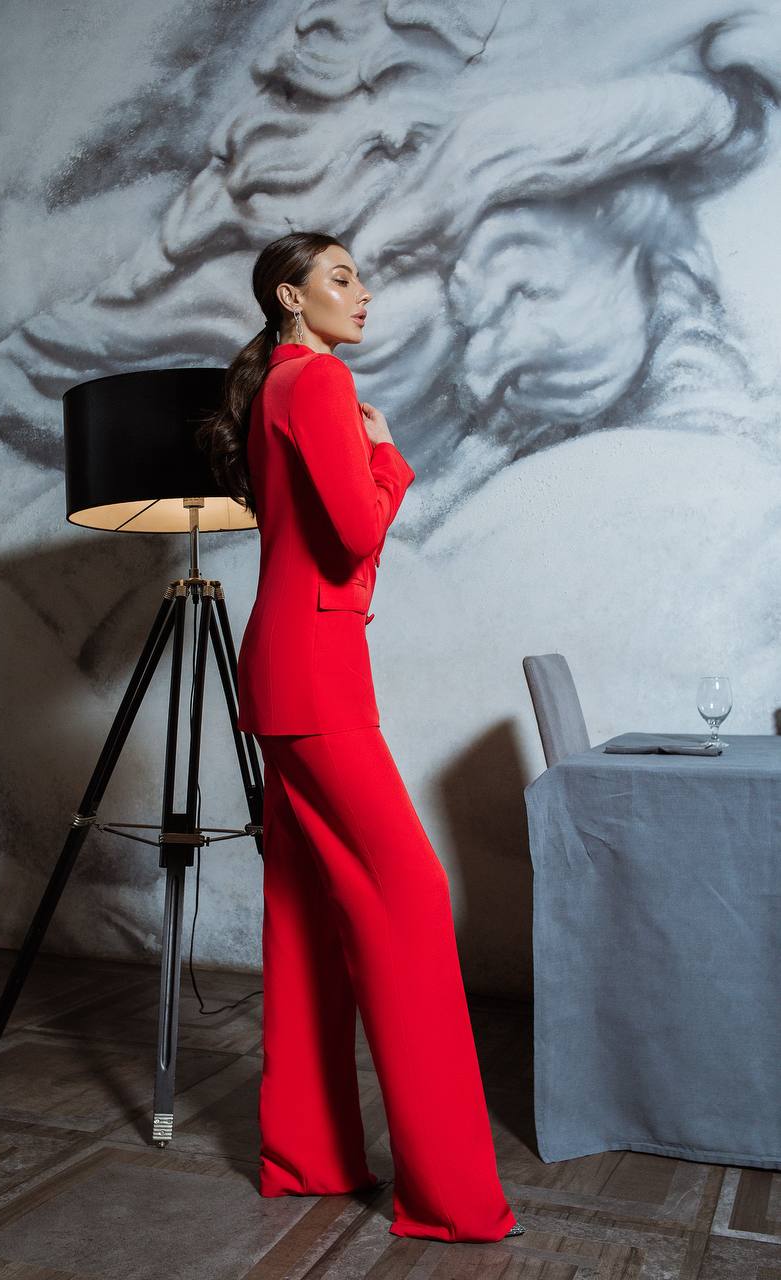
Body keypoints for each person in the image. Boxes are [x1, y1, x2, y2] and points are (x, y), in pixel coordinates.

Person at [195, 231, 523, 1244]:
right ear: (290, 298)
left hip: (280, 667)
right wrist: (386, 456)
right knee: (411, 899)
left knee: (305, 912)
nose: (363, 293)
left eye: (360, 276)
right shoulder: (319, 385)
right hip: (317, 676)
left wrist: (373, 454)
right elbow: (352, 531)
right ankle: (451, 1195)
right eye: (341, 277)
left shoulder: (277, 389)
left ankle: (306, 1153)